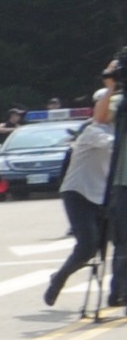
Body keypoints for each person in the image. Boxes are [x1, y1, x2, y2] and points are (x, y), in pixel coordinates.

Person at [43, 82, 116, 310]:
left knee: (108, 247)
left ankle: (115, 292)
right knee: (86, 247)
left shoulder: (117, 129)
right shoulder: (92, 129)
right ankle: (59, 279)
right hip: (79, 192)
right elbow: (115, 146)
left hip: (104, 194)